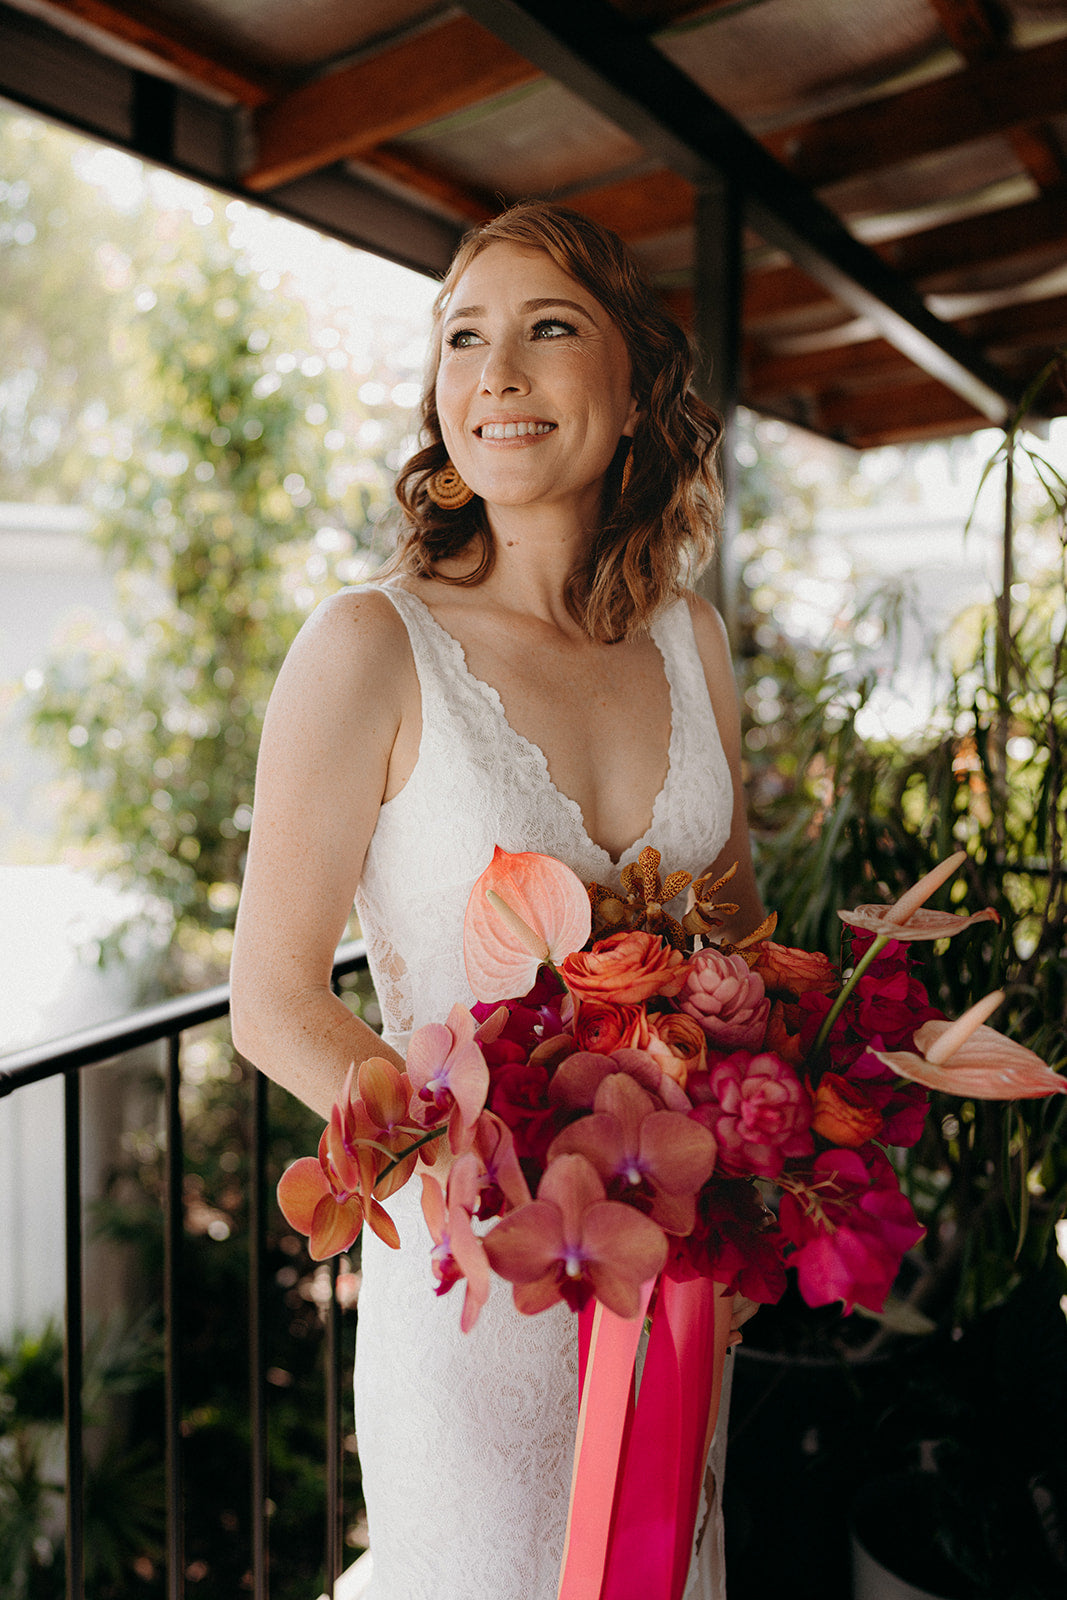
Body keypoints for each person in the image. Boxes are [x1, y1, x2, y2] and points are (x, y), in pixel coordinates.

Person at [230, 202, 764, 1600]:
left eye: (548, 330)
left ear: (638, 389)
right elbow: (273, 1000)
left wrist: (770, 1144)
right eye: (463, 337)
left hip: (672, 1282)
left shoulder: (688, 636)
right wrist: (468, 1149)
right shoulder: (367, 646)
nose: (498, 373)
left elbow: (743, 944)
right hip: (480, 1295)